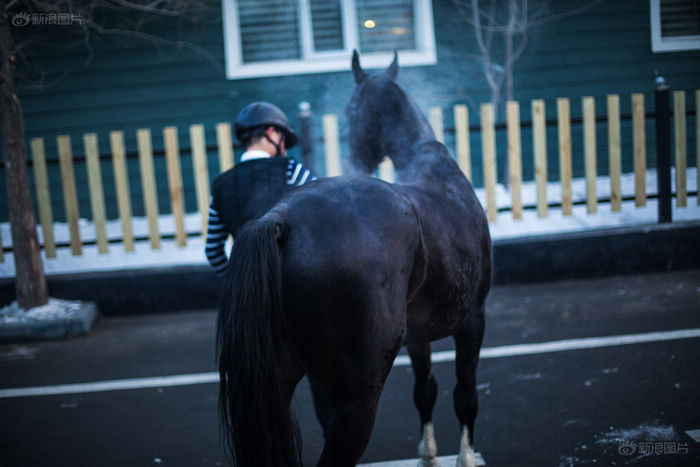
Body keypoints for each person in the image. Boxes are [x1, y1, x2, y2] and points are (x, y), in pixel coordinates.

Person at [205, 102, 315, 277]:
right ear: (271, 132)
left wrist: (236, 282)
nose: (284, 148)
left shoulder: (220, 185)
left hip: (246, 292)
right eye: (283, 139)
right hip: (291, 283)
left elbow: (213, 251)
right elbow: (320, 215)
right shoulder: (290, 170)